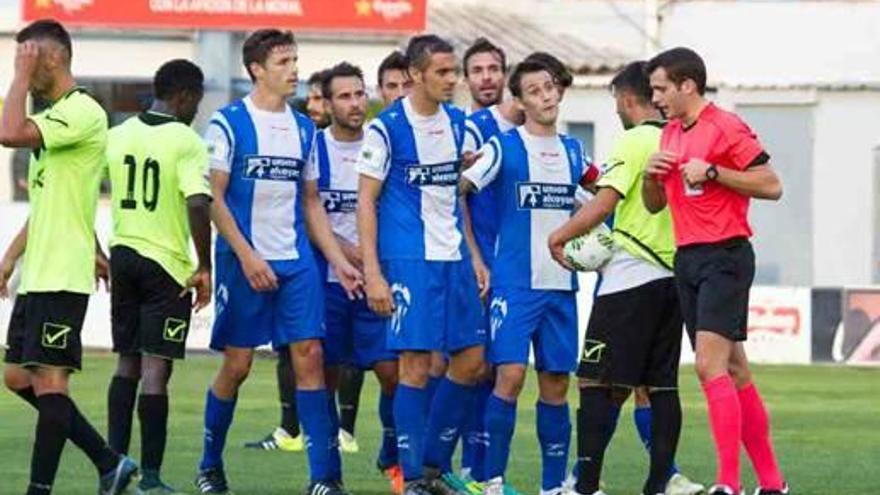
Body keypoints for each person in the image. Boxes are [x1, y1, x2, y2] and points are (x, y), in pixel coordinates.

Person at [195, 29, 362, 495]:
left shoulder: (305, 128)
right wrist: (247, 256)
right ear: (256, 69)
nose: (295, 70)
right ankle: (209, 466)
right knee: (239, 365)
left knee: (310, 356)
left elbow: (311, 203)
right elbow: (214, 198)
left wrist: (337, 260)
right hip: (243, 262)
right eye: (285, 61)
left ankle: (324, 479)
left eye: (295, 60)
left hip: (297, 264)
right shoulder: (228, 124)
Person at [547, 61, 703, 495]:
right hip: (675, 277)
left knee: (595, 380)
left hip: (631, 276)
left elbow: (604, 202)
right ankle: (658, 483)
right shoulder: (678, 140)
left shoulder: (634, 141)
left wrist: (560, 237)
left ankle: (585, 485)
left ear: (626, 98)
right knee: (659, 384)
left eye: (616, 100)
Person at [0, 19, 138, 495]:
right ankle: (107, 461)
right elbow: (49, 207)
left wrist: (17, 77)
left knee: (52, 383)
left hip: (62, 274)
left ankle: (39, 490)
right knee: (18, 377)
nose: (24, 69)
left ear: (51, 57)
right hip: (41, 271)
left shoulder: (82, 112)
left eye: (28, 57)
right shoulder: (56, 118)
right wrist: (9, 260)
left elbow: (9, 132)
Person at [643, 47, 787, 495]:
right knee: (735, 370)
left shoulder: (726, 126)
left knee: (708, 367)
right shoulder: (668, 133)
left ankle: (729, 484)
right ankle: (773, 484)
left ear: (688, 85)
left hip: (725, 254)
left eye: (661, 88)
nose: (656, 97)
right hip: (687, 257)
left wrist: (716, 172)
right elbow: (655, 205)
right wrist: (650, 177)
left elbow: (772, 184)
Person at [356, 34, 487, 494]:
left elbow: (456, 194)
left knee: (472, 360)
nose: (454, 80)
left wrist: (472, 255)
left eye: (455, 72)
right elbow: (366, 202)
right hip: (409, 258)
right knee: (415, 365)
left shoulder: (458, 123)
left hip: (452, 257)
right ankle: (413, 477)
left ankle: (431, 464)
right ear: (415, 75)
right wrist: (373, 272)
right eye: (444, 72)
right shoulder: (386, 129)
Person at [460, 59, 598, 495]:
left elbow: (600, 196)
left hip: (561, 286)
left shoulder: (576, 152)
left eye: (550, 88)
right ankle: (492, 481)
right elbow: (459, 190)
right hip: (515, 284)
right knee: (511, 376)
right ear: (519, 101)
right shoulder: (503, 147)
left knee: (556, 382)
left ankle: (553, 486)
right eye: (535, 91)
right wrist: (475, 256)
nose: (546, 96)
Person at [103, 59, 213, 494]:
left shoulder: (118, 134)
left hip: (123, 254)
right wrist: (204, 265)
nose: (195, 111)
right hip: (164, 264)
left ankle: (110, 466)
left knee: (125, 361)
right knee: (155, 368)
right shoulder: (186, 140)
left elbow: (83, 189)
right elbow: (198, 203)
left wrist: (97, 249)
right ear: (184, 95)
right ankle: (149, 476)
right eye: (196, 102)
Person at [315, 61, 405, 494]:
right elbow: (306, 214)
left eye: (358, 94)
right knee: (325, 379)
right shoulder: (313, 147)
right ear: (327, 102)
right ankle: (329, 475)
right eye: (344, 96)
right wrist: (343, 256)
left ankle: (393, 454)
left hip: (376, 281)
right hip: (327, 283)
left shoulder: (382, 141)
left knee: (393, 373)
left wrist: (370, 267)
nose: (355, 103)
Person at [455, 37, 525, 490]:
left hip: (518, 269)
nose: (486, 77)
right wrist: (475, 257)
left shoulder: (524, 130)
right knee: (473, 366)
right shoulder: (469, 129)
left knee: (507, 370)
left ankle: (490, 473)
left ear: (505, 74)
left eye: (493, 69)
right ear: (466, 79)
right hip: (478, 267)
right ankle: (466, 466)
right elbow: (456, 199)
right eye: (477, 70)